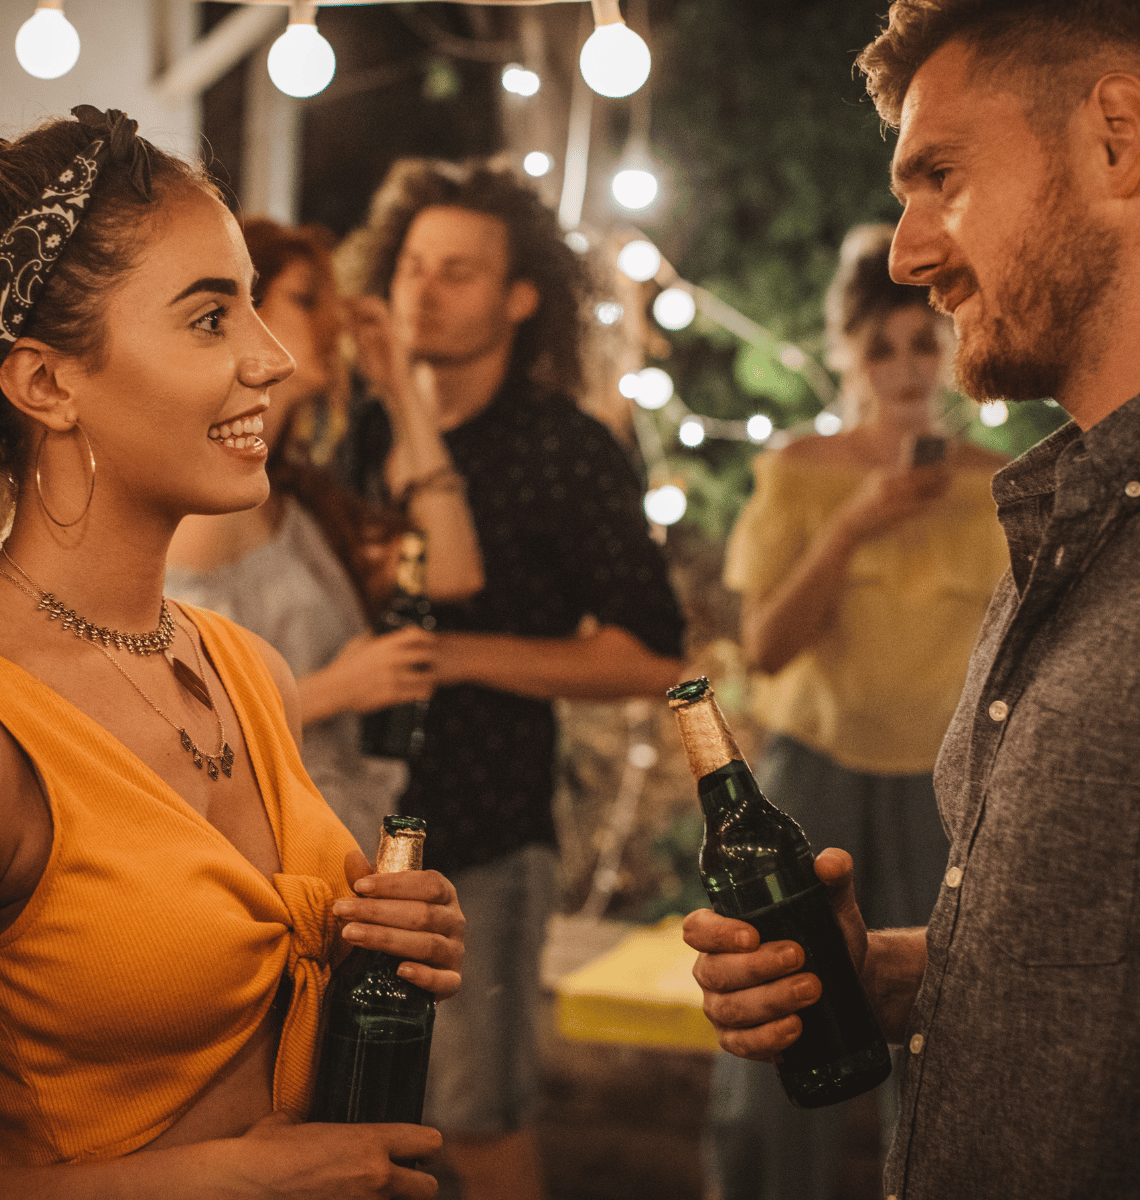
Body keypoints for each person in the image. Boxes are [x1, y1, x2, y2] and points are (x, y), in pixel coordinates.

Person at [0, 107, 464, 1198]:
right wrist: (223, 1181)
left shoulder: (247, 669)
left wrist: (382, 943)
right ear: (46, 384)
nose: (270, 361)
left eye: (255, 310)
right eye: (209, 318)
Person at [683, 2, 1140, 1197]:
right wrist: (893, 977)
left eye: (941, 174)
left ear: (1121, 135)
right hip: (827, 768)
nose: (905, 252)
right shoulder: (1063, 511)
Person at [337, 158, 687, 1200]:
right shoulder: (359, 429)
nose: (423, 291)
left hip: (485, 835)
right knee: (357, 1117)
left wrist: (457, 658)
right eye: (412, 266)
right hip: (345, 823)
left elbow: (653, 652)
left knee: (477, 1122)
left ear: (519, 296)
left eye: (459, 272)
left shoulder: (564, 449)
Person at [705, 223, 1008, 1200]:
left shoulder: (997, 487)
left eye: (923, 342)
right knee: (785, 1022)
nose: (907, 366)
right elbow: (764, 648)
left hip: (945, 791)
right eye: (881, 346)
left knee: (948, 1035)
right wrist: (856, 520)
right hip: (814, 778)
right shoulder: (801, 469)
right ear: (847, 352)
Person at [167, 216, 484, 860]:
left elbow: (452, 572)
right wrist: (341, 687)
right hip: (264, 850)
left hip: (341, 829)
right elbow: (175, 723)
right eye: (307, 299)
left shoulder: (289, 495)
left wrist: (401, 391)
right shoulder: (207, 495)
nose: (332, 320)